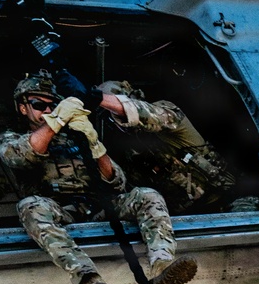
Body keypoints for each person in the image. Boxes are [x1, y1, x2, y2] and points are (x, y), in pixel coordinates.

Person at [0, 74, 196, 284]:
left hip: (101, 205)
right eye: (40, 105)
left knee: (146, 195)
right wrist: (57, 120)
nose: (48, 110)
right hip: (61, 209)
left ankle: (162, 265)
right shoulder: (11, 138)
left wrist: (95, 145)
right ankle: (91, 280)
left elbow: (117, 182)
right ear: (23, 108)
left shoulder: (74, 135)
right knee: (30, 206)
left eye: (54, 105)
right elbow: (19, 156)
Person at [97, 82, 237, 213]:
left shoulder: (165, 113)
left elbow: (142, 113)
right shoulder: (132, 150)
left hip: (227, 202)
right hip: (189, 216)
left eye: (115, 111)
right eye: (111, 118)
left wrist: (97, 98)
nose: (116, 121)